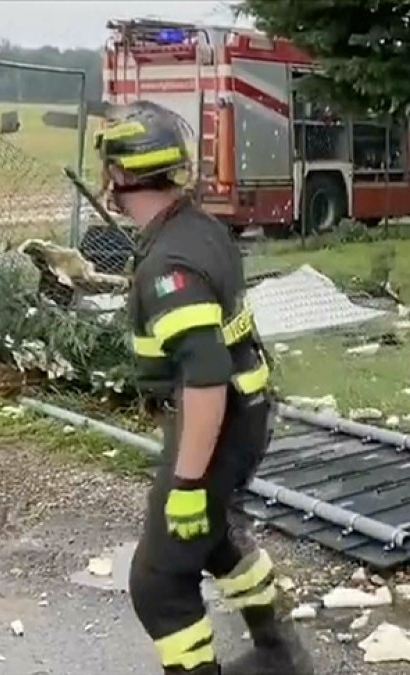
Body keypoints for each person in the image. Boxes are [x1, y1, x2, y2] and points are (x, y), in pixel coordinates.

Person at [95, 100, 314, 675]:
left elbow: (205, 376)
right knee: (214, 537)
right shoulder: (200, 227)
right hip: (246, 411)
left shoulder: (168, 267)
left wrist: (189, 482)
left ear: (118, 176)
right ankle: (280, 653)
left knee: (158, 582)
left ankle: (268, 657)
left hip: (218, 420)